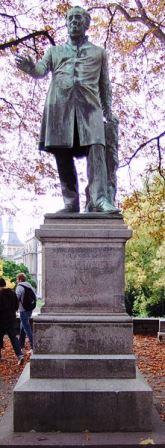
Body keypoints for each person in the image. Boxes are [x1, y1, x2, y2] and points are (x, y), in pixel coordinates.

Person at [15, 6, 120, 214]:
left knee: (96, 148)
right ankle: (71, 202)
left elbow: (105, 86)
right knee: (62, 153)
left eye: (78, 18)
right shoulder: (54, 52)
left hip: (90, 108)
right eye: (70, 18)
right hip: (59, 108)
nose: (74, 21)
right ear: (66, 23)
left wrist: (109, 112)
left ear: (87, 23)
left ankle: (99, 198)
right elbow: (39, 71)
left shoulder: (99, 53)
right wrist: (30, 68)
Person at [0, 277, 24, 365]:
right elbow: (16, 305)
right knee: (13, 338)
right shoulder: (12, 293)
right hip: (11, 319)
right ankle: (20, 355)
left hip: (1, 320)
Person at [15, 273, 35, 353]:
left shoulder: (19, 287)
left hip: (23, 310)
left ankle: (34, 346)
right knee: (22, 327)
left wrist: (15, 308)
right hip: (30, 309)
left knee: (27, 328)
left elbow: (16, 298)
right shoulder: (29, 285)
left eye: (17, 279)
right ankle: (21, 346)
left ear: (19, 279)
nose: (16, 281)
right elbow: (35, 296)